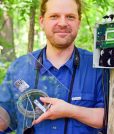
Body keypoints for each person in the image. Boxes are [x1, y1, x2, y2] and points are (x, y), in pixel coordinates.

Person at [0, 0, 107, 133]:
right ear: (42, 21)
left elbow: (109, 118)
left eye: (70, 17)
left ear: (79, 22)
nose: (62, 23)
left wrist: (71, 111)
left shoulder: (97, 67)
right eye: (54, 16)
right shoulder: (20, 66)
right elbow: (6, 117)